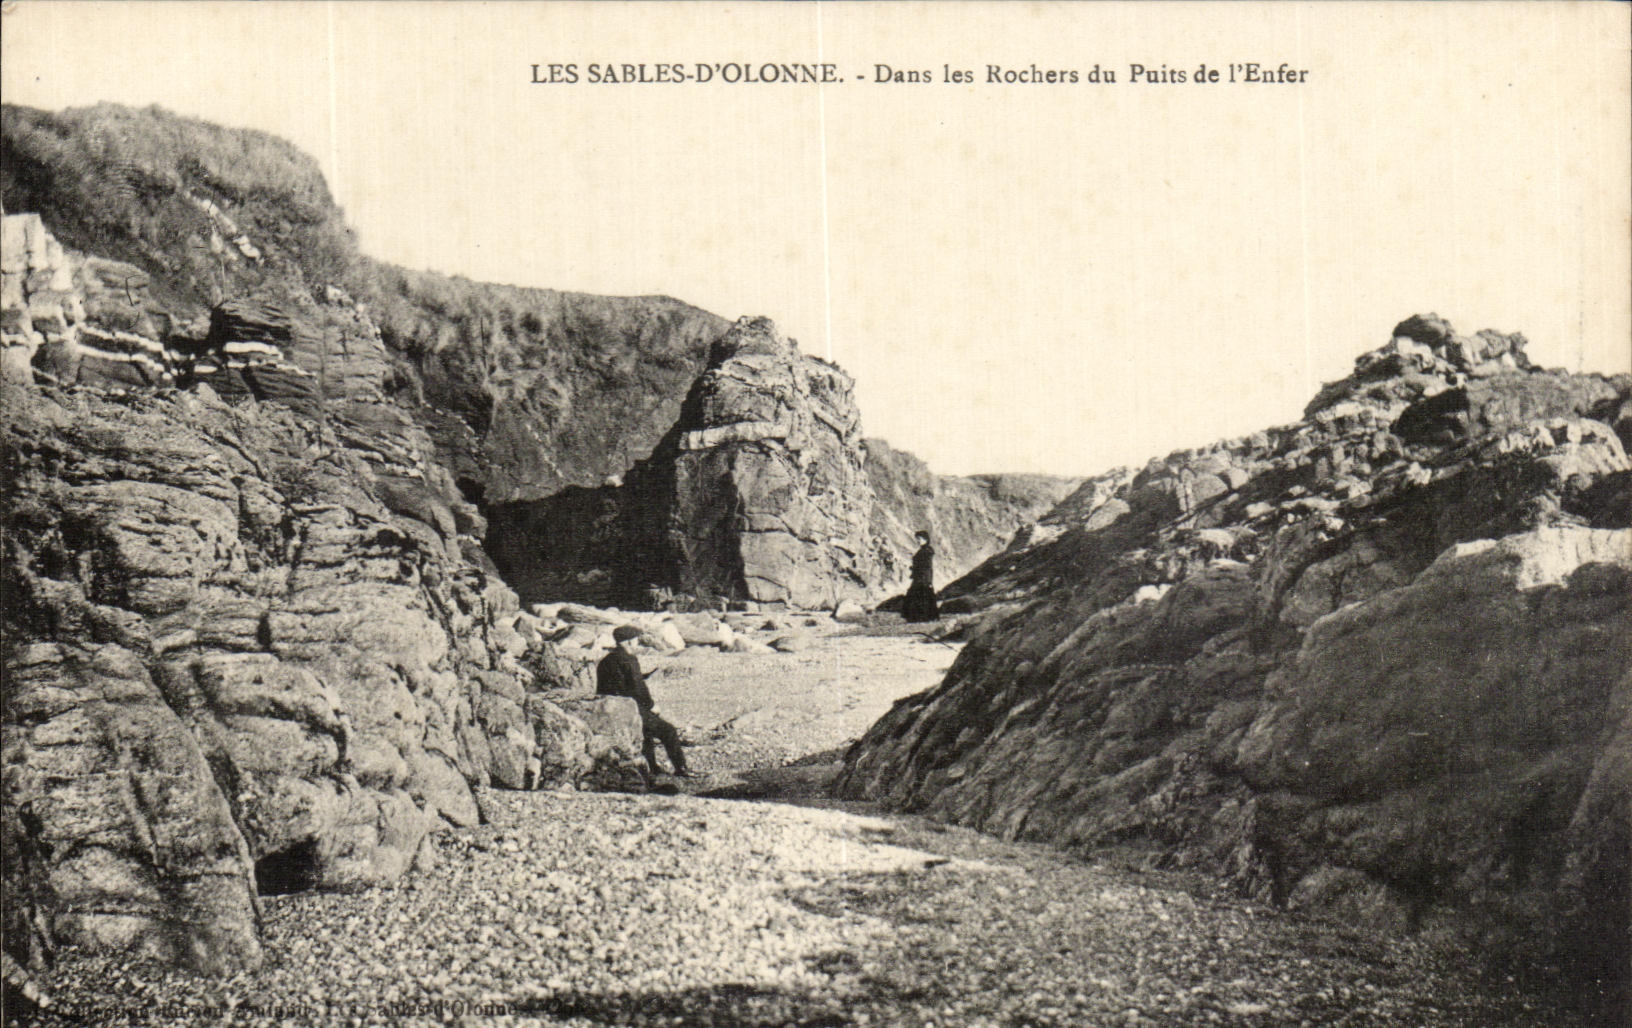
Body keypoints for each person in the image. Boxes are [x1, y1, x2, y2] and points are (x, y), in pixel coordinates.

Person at [596, 625, 696, 778]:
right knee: (668, 731)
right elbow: (638, 688)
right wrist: (651, 706)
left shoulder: (606, 660)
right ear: (629, 641)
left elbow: (614, 684)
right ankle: (681, 768)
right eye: (636, 639)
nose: (637, 642)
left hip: (611, 708)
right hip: (629, 708)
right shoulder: (629, 659)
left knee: (646, 733)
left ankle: (652, 767)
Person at [901, 529, 940, 623]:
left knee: (920, 595)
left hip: (923, 577)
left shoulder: (926, 551)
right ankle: (921, 617)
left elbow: (927, 567)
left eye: (919, 539)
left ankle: (920, 618)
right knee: (920, 596)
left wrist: (928, 579)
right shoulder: (925, 550)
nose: (918, 541)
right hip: (921, 576)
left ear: (925, 539)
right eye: (917, 539)